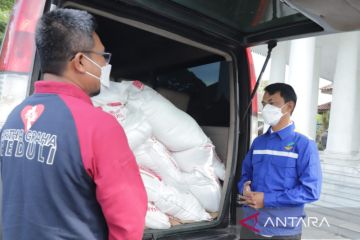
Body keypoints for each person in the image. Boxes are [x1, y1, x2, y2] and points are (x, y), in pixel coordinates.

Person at [0, 9, 147, 239]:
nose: (104, 65)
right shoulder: (98, 127)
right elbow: (128, 222)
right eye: (102, 57)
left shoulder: (13, 119)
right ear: (80, 61)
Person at [238, 83, 322, 239]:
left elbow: (311, 190)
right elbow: (245, 174)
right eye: (264, 104)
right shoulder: (258, 142)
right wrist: (244, 188)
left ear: (288, 106)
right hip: (251, 224)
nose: (265, 108)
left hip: (282, 230)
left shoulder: (303, 144)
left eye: (271, 103)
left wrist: (267, 199)